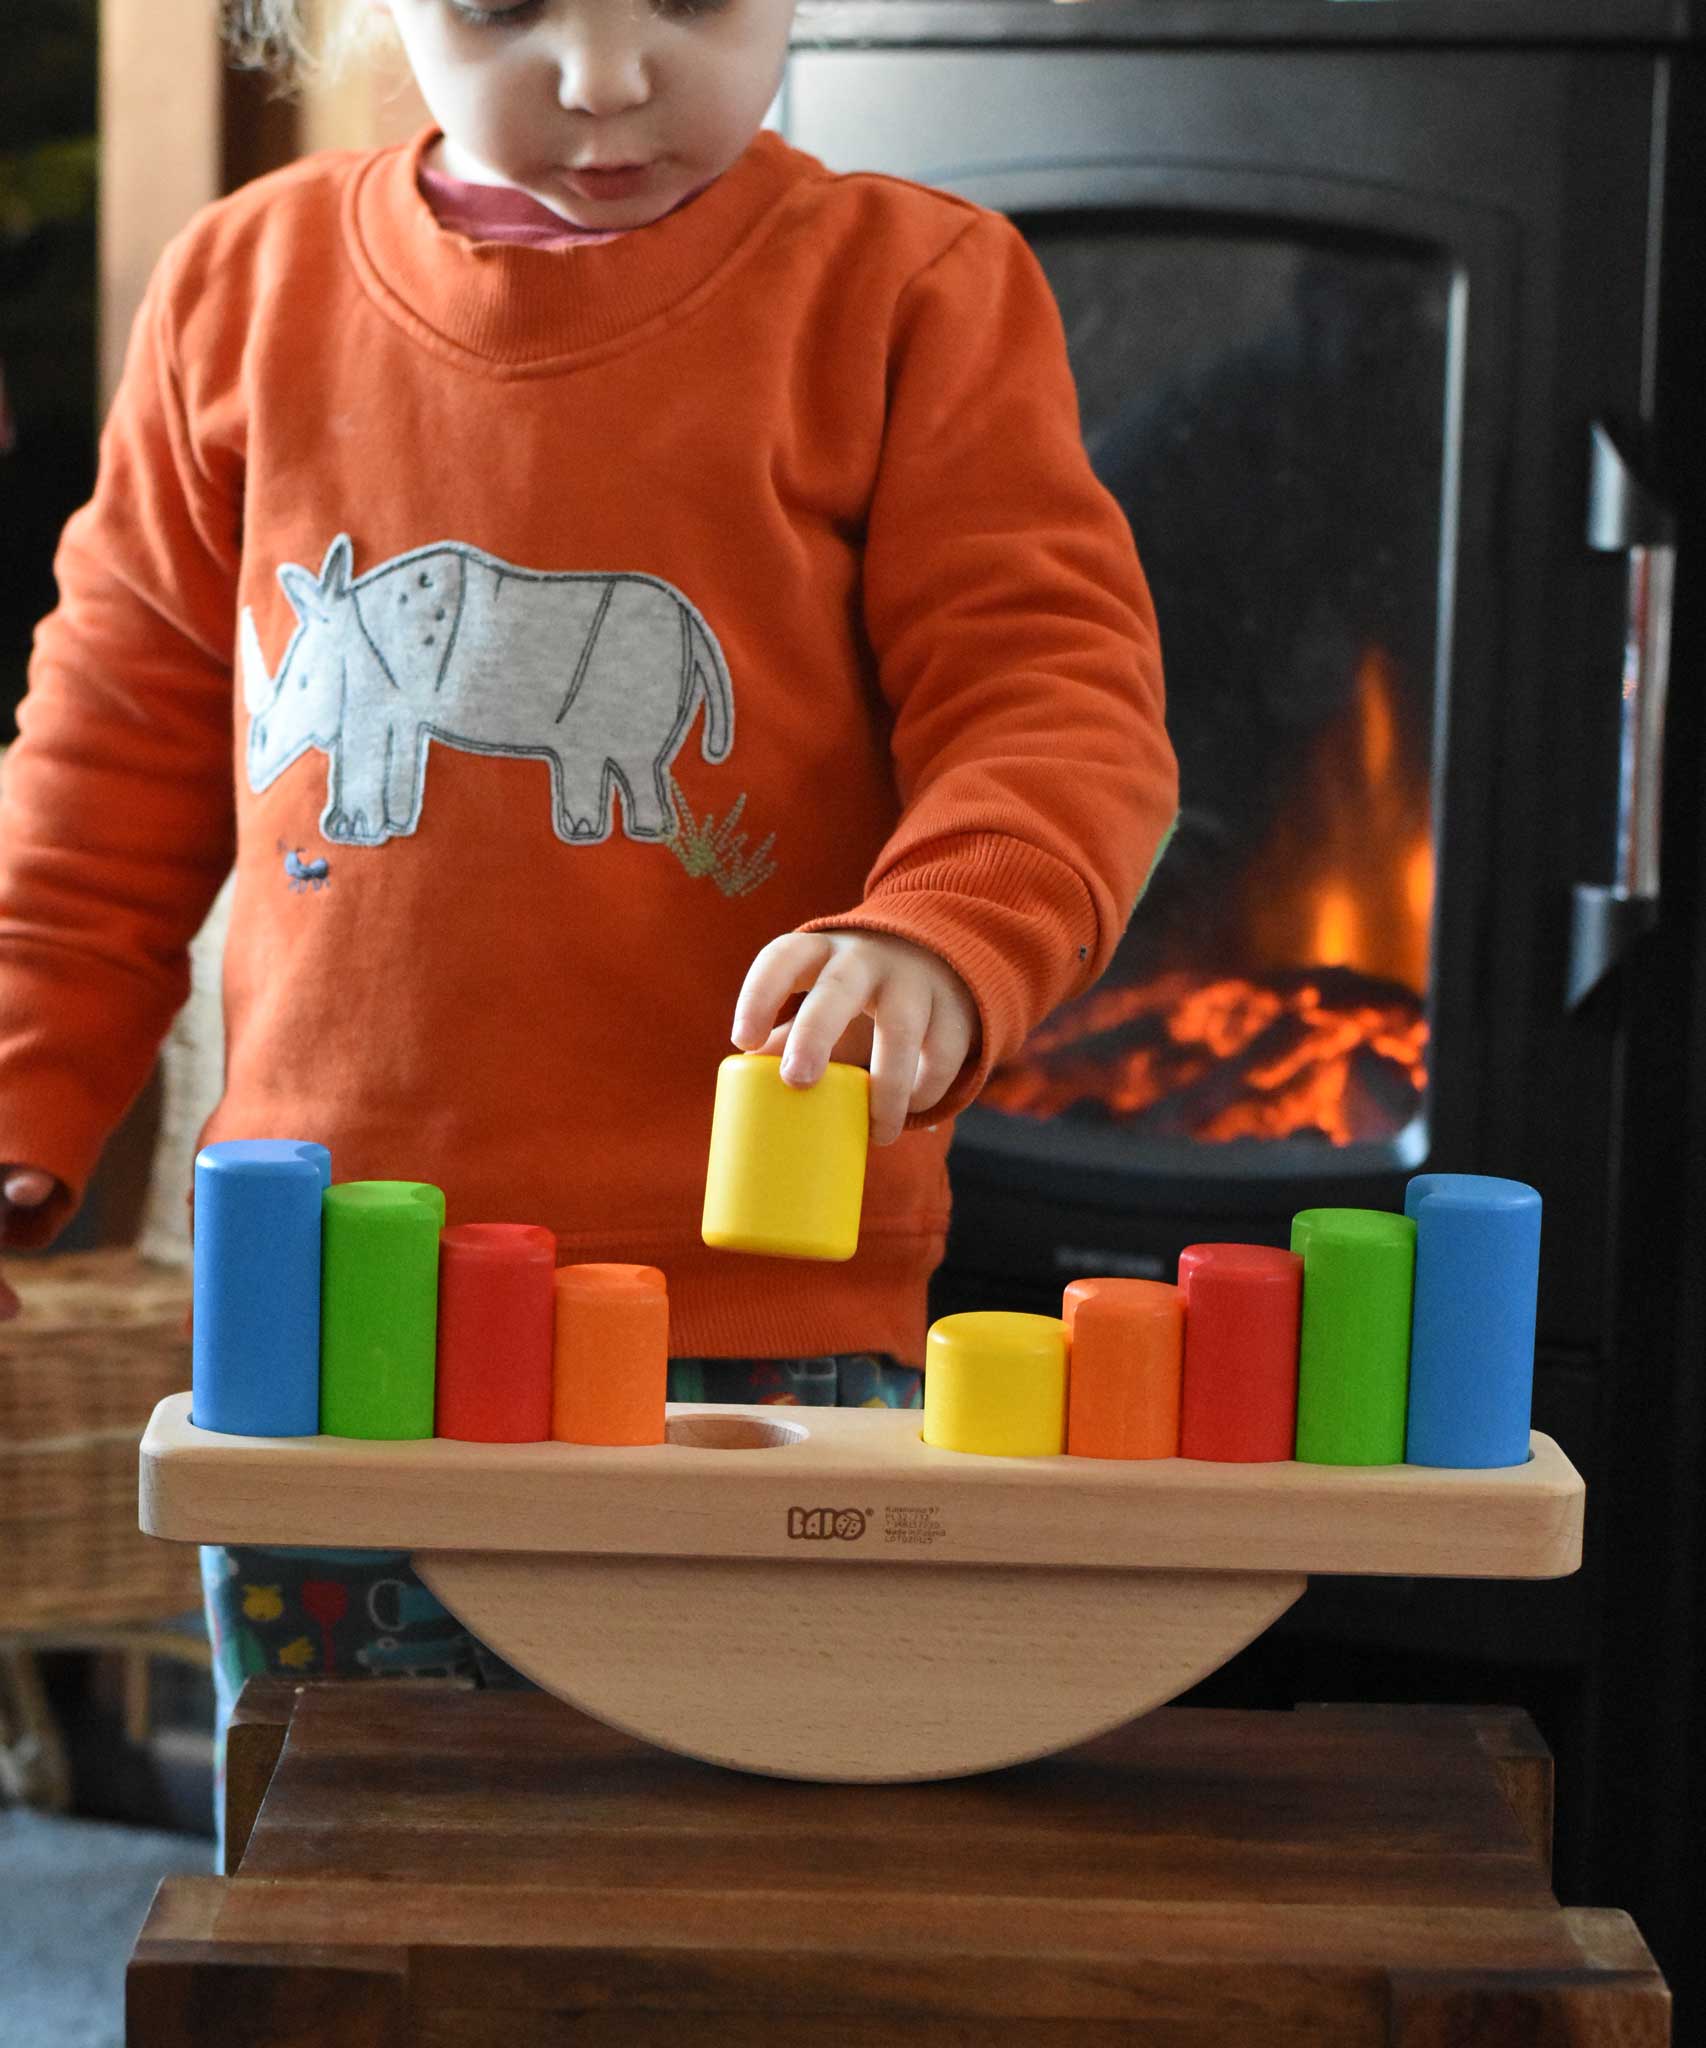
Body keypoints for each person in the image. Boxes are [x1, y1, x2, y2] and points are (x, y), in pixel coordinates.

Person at [0, 0, 1178, 1795]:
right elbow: (100, 765)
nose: (607, 76)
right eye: (500, 5)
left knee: (723, 1879)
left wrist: (949, 922)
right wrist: (20, 1082)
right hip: (329, 1324)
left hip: (750, 1315)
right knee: (353, 1872)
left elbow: (1053, 695)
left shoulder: (914, 289)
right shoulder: (238, 289)